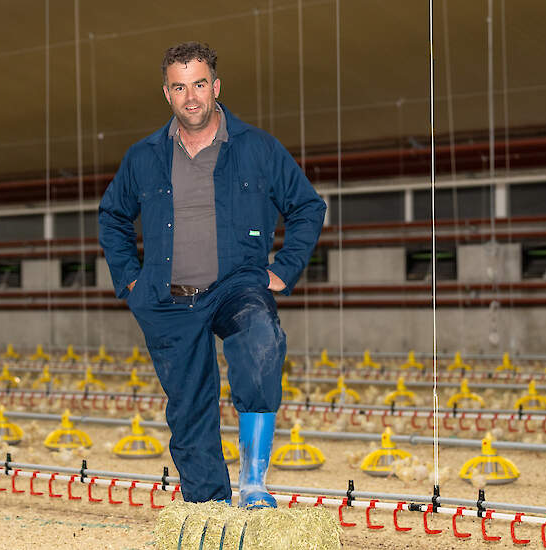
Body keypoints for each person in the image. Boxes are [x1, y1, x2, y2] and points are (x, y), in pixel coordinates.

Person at [98, 42, 326, 507]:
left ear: (215, 87)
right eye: (179, 87)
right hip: (168, 298)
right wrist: (132, 281)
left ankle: (254, 483)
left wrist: (283, 269)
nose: (191, 97)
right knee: (189, 413)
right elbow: (112, 217)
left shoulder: (257, 148)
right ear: (167, 94)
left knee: (261, 341)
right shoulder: (144, 157)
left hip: (236, 285)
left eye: (199, 84)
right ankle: (210, 510)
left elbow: (307, 206)